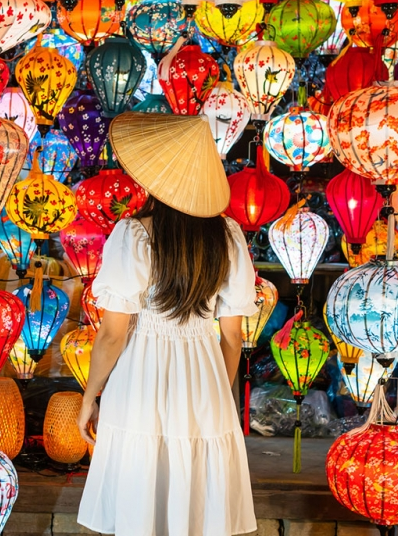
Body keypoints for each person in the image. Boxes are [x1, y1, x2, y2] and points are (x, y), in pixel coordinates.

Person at [76, 113, 258, 536]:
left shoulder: (134, 234)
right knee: (197, 502)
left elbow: (113, 334)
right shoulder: (228, 234)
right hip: (205, 370)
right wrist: (217, 392)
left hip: (142, 372)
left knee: (142, 488)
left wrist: (89, 396)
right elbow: (233, 337)